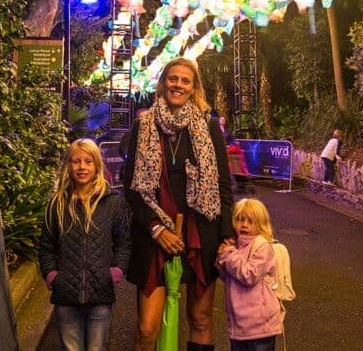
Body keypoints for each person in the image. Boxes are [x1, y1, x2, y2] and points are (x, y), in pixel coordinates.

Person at [123, 57, 234, 351]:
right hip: (155, 231)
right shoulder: (143, 125)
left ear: (194, 87)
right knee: (147, 329)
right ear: (163, 83)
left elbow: (223, 184)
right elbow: (131, 187)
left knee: (200, 320)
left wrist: (227, 235)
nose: (178, 85)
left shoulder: (208, 127)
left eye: (186, 81)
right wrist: (157, 229)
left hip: (201, 231)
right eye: (173, 79)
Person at [38, 139, 132, 351]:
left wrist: (115, 272)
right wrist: (52, 275)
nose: (82, 167)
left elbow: (123, 243)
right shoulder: (57, 203)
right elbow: (46, 246)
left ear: (97, 165)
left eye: (88, 161)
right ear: (68, 166)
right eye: (76, 161)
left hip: (100, 295)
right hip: (65, 297)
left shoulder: (113, 202)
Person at [216, 199, 283, 351]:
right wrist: (221, 263)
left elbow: (249, 276)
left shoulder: (262, 246)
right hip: (239, 326)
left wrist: (228, 253)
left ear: (260, 224)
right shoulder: (235, 246)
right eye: (240, 219)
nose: (244, 224)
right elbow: (229, 278)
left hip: (260, 328)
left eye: (250, 221)